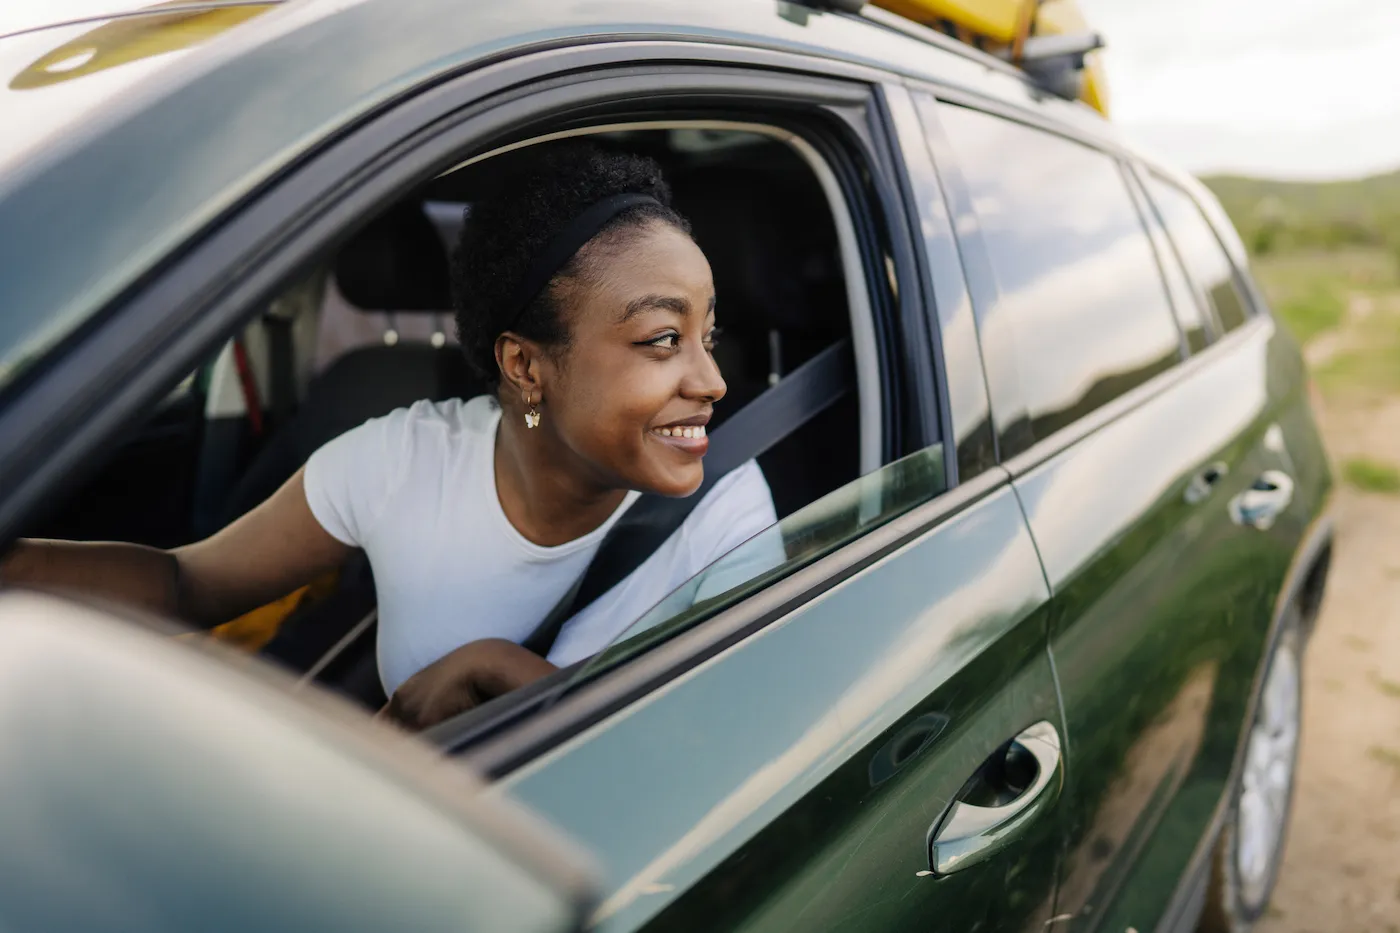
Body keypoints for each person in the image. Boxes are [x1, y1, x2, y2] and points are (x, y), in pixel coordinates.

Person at [1, 142, 778, 728]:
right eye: (661, 339)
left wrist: (509, 677)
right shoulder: (403, 460)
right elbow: (184, 583)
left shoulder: (728, 511)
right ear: (526, 365)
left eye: (709, 335)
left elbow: (732, 763)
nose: (711, 382)